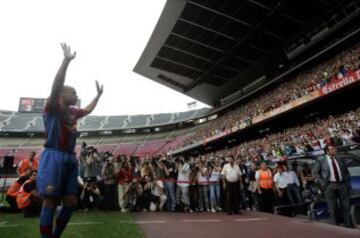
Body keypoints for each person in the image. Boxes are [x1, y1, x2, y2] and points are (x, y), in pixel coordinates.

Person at [37, 43, 103, 238]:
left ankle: (56, 235)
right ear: (62, 95)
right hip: (54, 156)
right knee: (49, 201)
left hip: (69, 158)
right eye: (73, 92)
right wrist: (66, 61)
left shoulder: (73, 112)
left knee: (71, 202)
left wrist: (98, 96)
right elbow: (55, 86)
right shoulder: (52, 107)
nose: (76, 95)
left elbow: (89, 109)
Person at [312, 144, 352, 228]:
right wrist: (322, 183)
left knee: (346, 207)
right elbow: (315, 173)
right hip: (329, 186)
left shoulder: (340, 158)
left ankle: (348, 226)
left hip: (342, 185)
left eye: (334, 149)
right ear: (327, 151)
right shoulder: (321, 160)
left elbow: (346, 172)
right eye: (332, 149)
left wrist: (347, 183)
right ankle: (335, 227)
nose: (335, 150)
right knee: (333, 208)